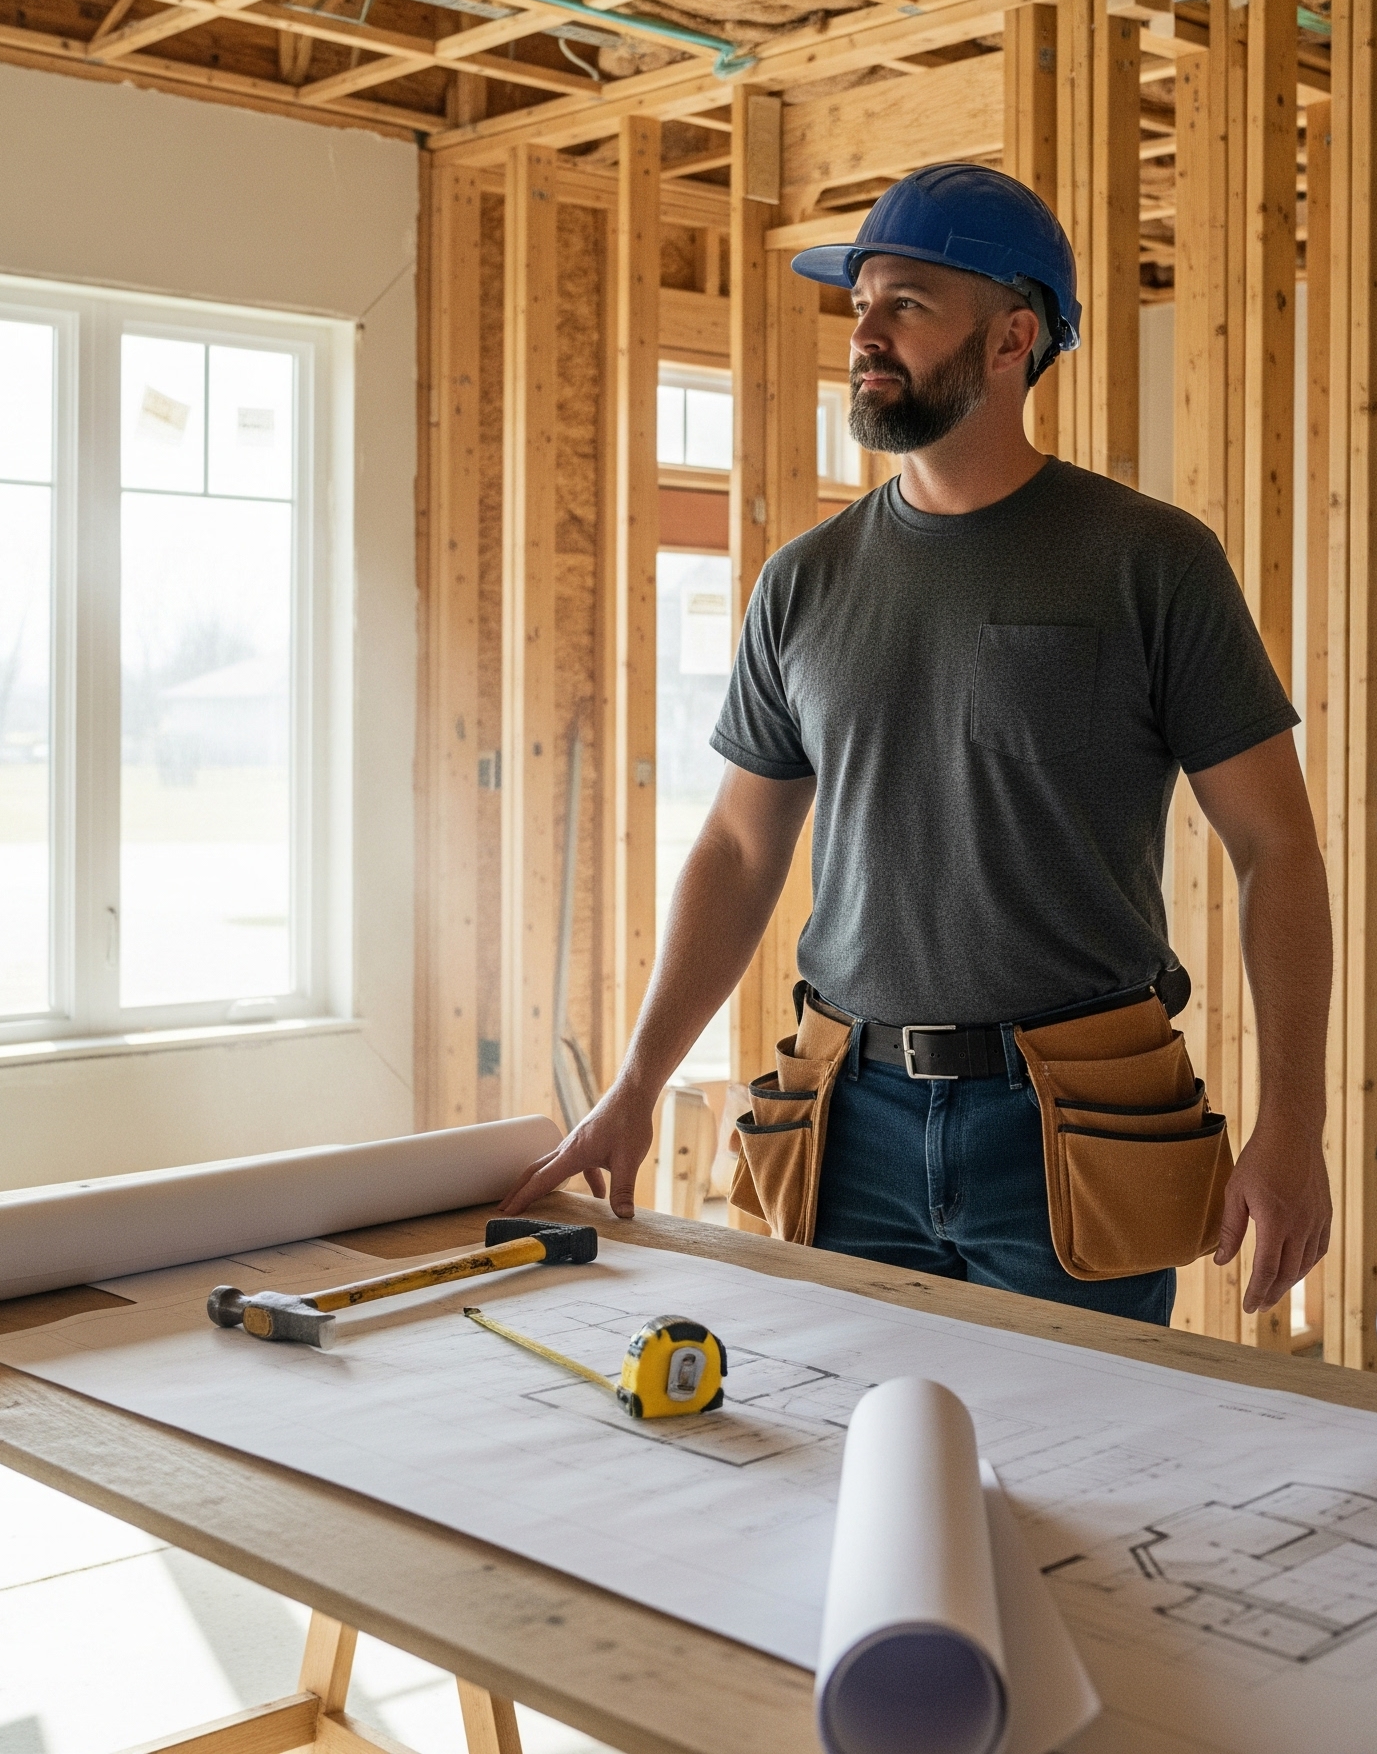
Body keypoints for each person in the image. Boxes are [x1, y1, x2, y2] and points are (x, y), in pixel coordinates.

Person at [503, 163, 1332, 1326]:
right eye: (860, 306)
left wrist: (1292, 1123)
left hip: (1072, 1129)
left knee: (1076, 1478)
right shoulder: (805, 580)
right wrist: (636, 1080)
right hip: (846, 1124)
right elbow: (740, 851)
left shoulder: (1149, 562)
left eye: (906, 304)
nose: (865, 333)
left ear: (1011, 338)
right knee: (853, 1464)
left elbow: (1275, 847)